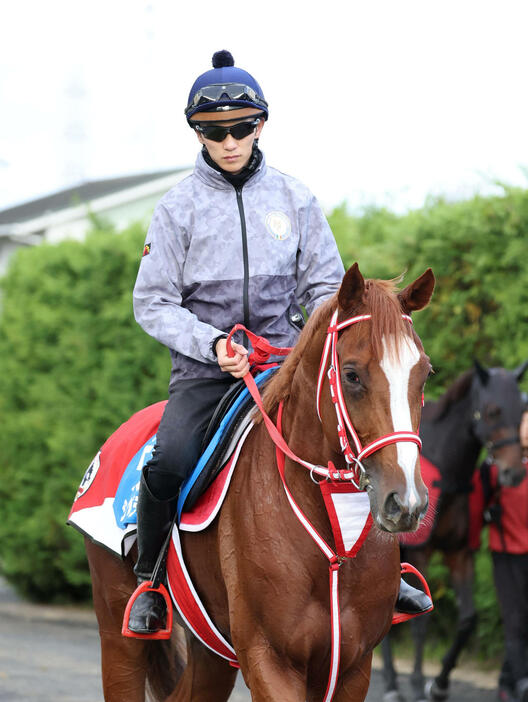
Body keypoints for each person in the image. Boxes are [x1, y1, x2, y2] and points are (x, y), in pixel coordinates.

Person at [127, 50, 431, 635]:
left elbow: (327, 290)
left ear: (261, 125)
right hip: (206, 371)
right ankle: (151, 580)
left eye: (241, 128)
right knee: (169, 463)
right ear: (199, 134)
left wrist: (308, 341)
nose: (230, 142)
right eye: (215, 133)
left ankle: (390, 575)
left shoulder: (296, 200)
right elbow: (153, 302)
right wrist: (212, 343)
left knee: (371, 434)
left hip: (285, 364)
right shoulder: (176, 210)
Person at [481, 405, 528, 702]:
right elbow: (476, 504)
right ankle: (521, 684)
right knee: (515, 621)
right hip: (506, 553)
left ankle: (506, 682)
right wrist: (488, 513)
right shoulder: (495, 466)